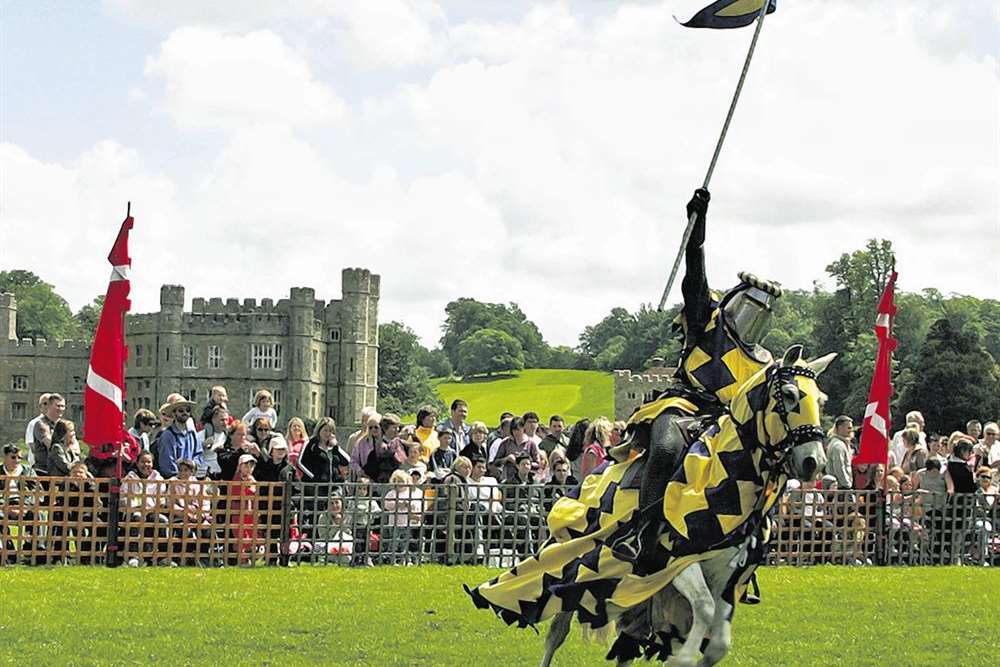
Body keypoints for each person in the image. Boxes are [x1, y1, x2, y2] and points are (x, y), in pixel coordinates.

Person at [625, 189, 787, 569]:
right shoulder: (706, 320)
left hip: (725, 422)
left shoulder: (763, 360)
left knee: (761, 473)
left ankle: (746, 550)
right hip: (683, 405)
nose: (752, 318)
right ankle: (646, 537)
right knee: (665, 449)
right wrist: (697, 227)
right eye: (750, 307)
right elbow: (694, 274)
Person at [120, 451, 170, 567]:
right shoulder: (130, 478)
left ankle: (161, 557)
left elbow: (162, 498)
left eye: (148, 462)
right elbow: (124, 497)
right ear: (137, 463)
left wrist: (157, 506)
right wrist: (135, 507)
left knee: (161, 521)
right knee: (136, 518)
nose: (145, 465)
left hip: (152, 510)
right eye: (142, 462)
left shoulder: (157, 478)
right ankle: (133, 556)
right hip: (134, 510)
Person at [0, 444, 38, 563]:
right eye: (13, 457)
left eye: (19, 458)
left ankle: (34, 550)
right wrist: (5, 506)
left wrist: (25, 506)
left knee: (39, 515)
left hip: (24, 504)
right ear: (5, 457)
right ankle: (8, 552)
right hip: (4, 505)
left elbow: (36, 491)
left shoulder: (28, 471)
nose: (16, 461)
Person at [381, 469, 423, 565]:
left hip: (406, 523)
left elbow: (416, 505)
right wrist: (397, 504)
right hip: (394, 523)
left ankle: (404, 560)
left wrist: (409, 505)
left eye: (402, 481)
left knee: (405, 542)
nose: (399, 484)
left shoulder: (410, 493)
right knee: (394, 542)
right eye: (397, 481)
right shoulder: (391, 493)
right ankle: (392, 560)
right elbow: (386, 505)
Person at [157, 396, 203, 478]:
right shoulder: (167, 435)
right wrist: (180, 478)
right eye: (181, 410)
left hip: (190, 481)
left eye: (187, 410)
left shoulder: (192, 434)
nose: (185, 413)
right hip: (173, 483)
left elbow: (199, 455)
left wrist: (193, 466)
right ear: (174, 413)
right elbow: (167, 464)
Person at [490, 417, 540, 481]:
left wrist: (525, 463)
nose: (516, 433)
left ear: (523, 428)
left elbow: (538, 464)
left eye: (518, 430)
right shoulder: (505, 443)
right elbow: (496, 462)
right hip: (509, 480)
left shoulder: (531, 444)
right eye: (514, 430)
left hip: (527, 480)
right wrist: (507, 459)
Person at [29, 392, 66, 475]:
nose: (60, 409)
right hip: (44, 471)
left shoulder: (64, 424)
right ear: (49, 406)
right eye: (58, 406)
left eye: (62, 406)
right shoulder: (41, 424)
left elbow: (75, 446)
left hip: (61, 470)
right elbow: (52, 446)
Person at [198, 405, 230, 478]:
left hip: (220, 475)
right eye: (222, 420)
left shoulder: (227, 436)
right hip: (204, 475)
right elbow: (193, 454)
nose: (225, 423)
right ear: (213, 420)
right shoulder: (202, 435)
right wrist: (202, 446)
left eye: (226, 420)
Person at [825, 415, 855, 489]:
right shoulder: (838, 445)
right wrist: (846, 484)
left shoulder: (840, 443)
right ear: (840, 428)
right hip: (841, 488)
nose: (851, 431)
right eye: (849, 428)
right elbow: (839, 468)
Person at [23, 392, 51, 468]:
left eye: (50, 403)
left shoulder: (60, 423)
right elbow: (32, 447)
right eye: (45, 403)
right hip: (39, 466)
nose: (48, 406)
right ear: (40, 406)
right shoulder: (34, 423)